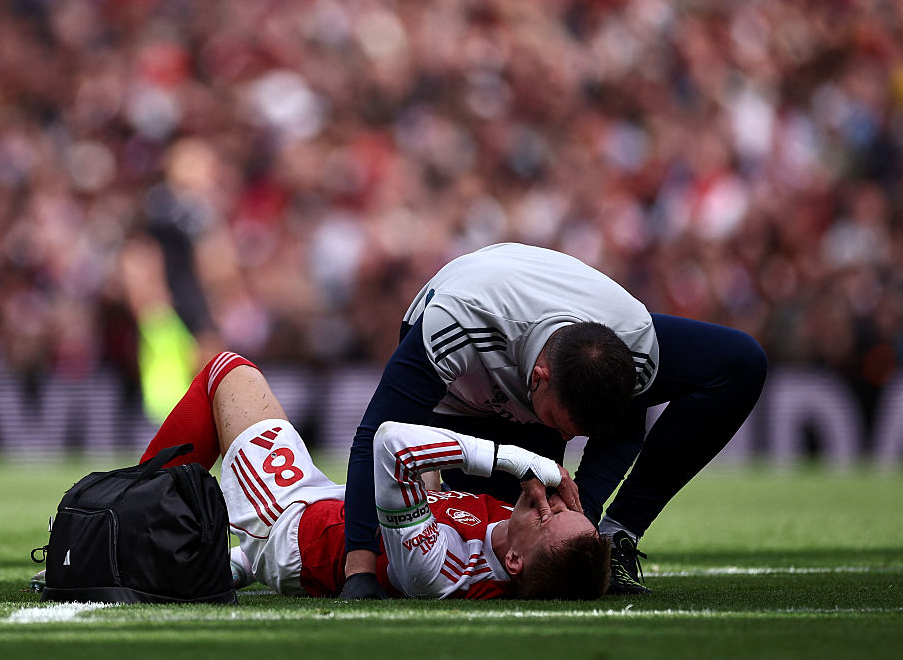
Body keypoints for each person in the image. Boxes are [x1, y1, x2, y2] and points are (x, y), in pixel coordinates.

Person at [341, 243, 768, 598]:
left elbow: (623, 432)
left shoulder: (633, 339)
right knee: (508, 546)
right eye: (562, 425)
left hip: (555, 344)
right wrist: (358, 569)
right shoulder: (456, 326)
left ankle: (620, 536)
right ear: (540, 380)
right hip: (468, 391)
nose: (565, 439)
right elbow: (374, 435)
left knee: (740, 363)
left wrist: (587, 515)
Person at [134, 350, 612, 600]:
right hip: (334, 505)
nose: (551, 504)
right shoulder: (506, 535)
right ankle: (230, 564)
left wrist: (513, 459)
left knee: (228, 371)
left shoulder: (439, 571)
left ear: (513, 564)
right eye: (569, 510)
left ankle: (127, 516)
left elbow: (388, 443)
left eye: (549, 520)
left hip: (289, 527)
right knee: (426, 473)